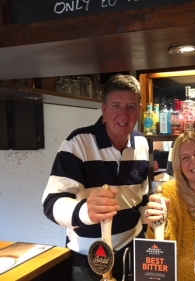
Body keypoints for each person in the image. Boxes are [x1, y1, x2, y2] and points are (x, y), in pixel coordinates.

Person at [42, 74, 149, 281]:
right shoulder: (78, 142)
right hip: (89, 259)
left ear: (140, 109)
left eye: (131, 107)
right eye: (116, 105)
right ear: (104, 109)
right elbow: (51, 203)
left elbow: (142, 197)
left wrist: (151, 218)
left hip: (132, 253)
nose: (124, 115)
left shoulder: (142, 143)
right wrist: (85, 211)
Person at [145, 131, 195, 281]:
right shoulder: (169, 192)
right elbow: (162, 247)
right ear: (179, 165)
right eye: (185, 158)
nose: (194, 160)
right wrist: (156, 226)